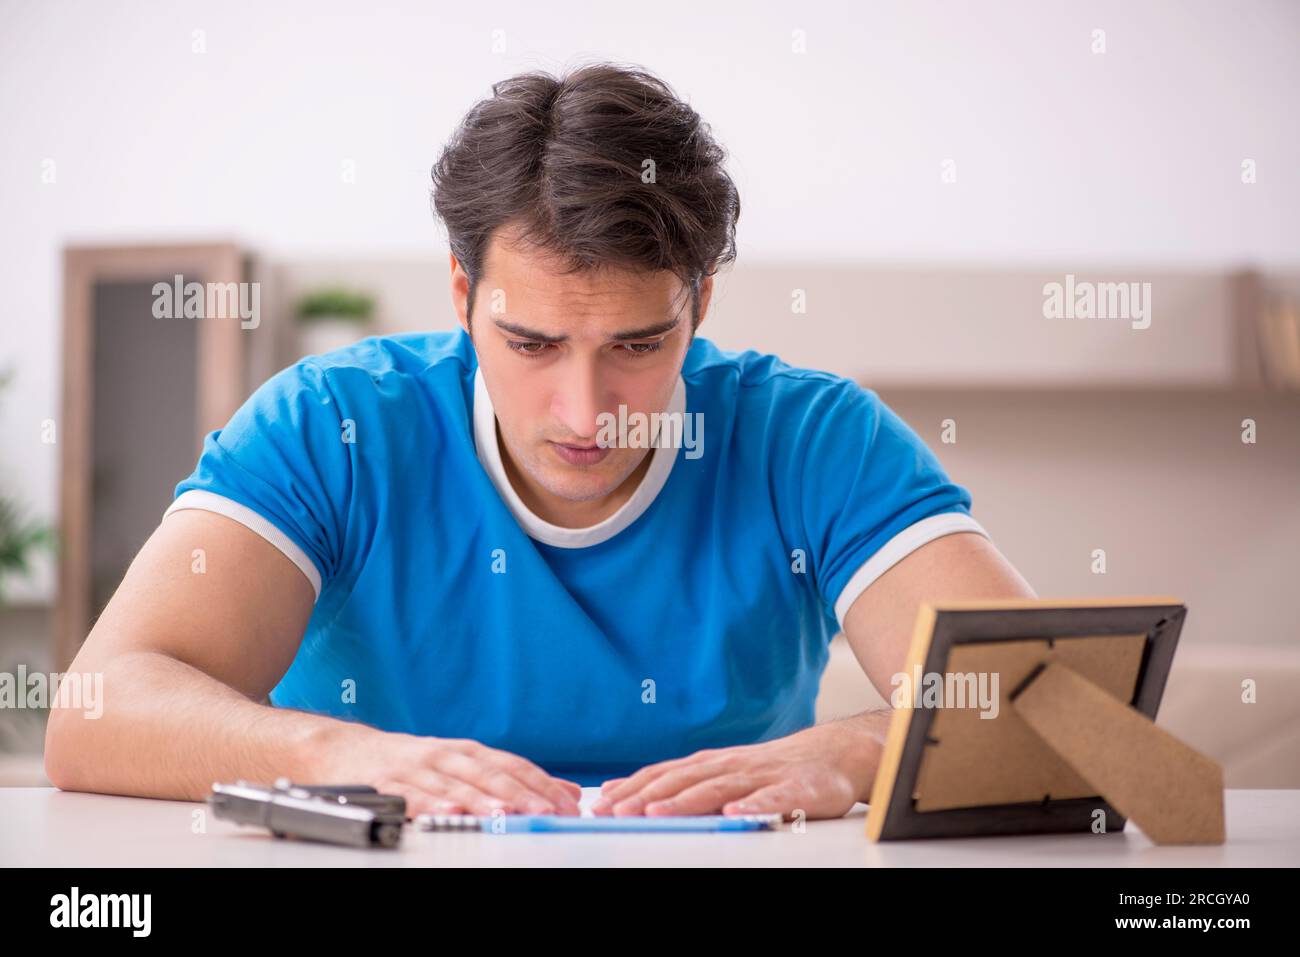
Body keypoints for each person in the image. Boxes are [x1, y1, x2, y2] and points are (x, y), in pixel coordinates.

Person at [45, 63, 1034, 821]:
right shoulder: (332, 425)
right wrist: (335, 755)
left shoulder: (811, 439)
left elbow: (1054, 708)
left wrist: (862, 753)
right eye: (531, 344)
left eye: (639, 345)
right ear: (464, 297)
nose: (583, 411)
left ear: (700, 306)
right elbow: (96, 711)